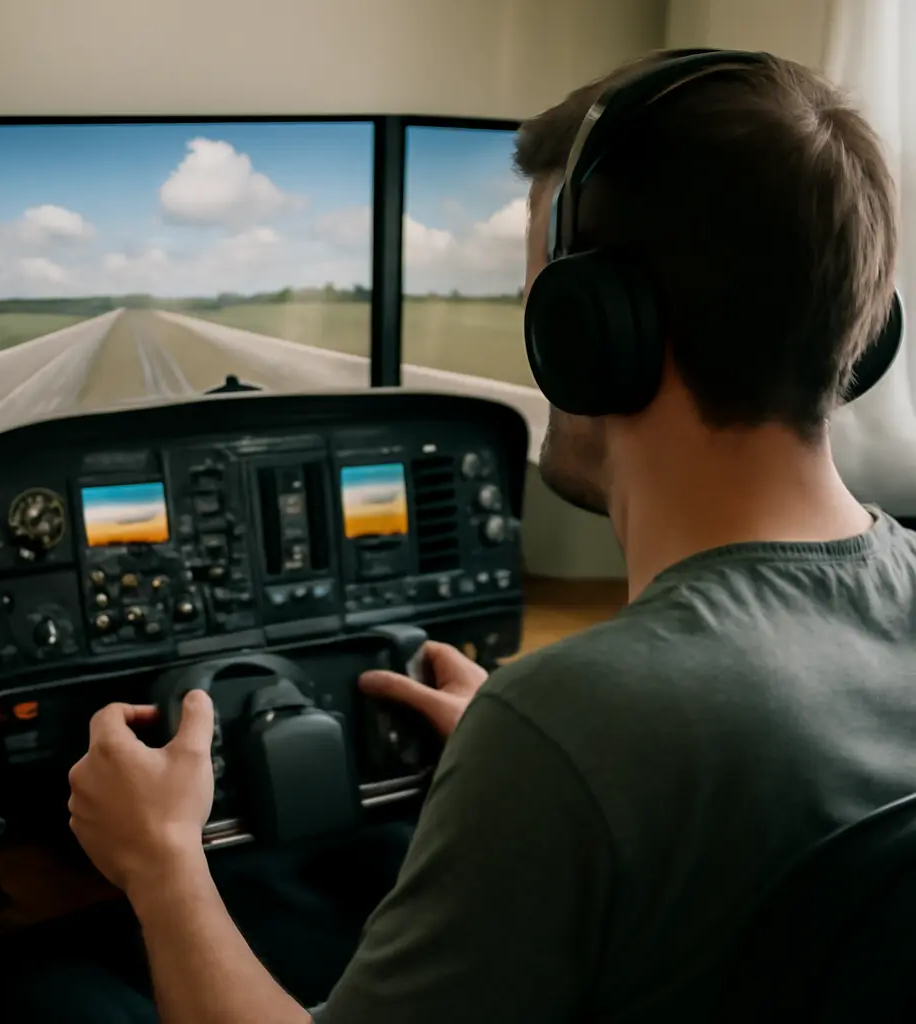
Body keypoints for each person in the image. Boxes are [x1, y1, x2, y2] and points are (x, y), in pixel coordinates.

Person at [61, 47, 916, 1023]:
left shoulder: (572, 722)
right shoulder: (577, 734)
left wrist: (160, 860)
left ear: (592, 331)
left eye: (538, 301)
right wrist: (536, 771)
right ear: (861, 330)